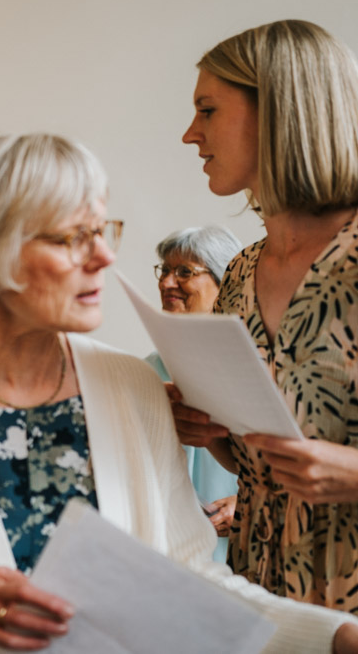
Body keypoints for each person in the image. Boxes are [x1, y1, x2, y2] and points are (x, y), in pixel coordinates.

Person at [0, 133, 358, 653]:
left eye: (104, 231)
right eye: (72, 237)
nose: (104, 257)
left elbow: (189, 583)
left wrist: (332, 636)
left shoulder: (133, 387)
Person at [176, 19, 358, 613]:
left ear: (280, 111)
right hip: (259, 601)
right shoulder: (239, 273)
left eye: (208, 110)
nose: (189, 134)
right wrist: (211, 431)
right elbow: (248, 463)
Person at [146, 225, 242, 563]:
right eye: (165, 270)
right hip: (164, 554)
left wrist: (246, 504)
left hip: (231, 556)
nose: (166, 283)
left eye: (184, 272)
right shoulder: (147, 371)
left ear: (225, 281)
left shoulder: (252, 366)